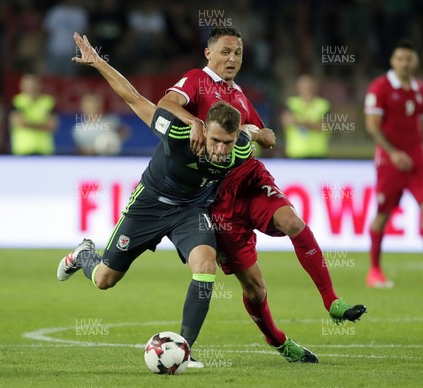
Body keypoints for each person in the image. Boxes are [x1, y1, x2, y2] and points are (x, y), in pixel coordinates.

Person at [57, 33, 274, 366]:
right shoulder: (175, 132)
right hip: (151, 204)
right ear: (203, 130)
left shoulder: (239, 149)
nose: (220, 150)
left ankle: (184, 351)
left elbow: (255, 136)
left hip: (192, 209)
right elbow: (133, 98)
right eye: (215, 140)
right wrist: (99, 63)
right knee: (104, 279)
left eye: (227, 143)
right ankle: (84, 254)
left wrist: (256, 133)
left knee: (204, 267)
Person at [158, 26, 366, 363]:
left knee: (293, 222)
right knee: (255, 288)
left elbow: (261, 133)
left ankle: (332, 302)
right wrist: (192, 122)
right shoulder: (197, 79)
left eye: (238, 52)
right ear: (209, 53)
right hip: (217, 198)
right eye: (225, 51)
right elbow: (166, 104)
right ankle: (280, 342)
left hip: (250, 179)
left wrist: (263, 134)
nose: (232, 58)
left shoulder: (239, 94)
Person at [364, 39, 423, 288]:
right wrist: (393, 153)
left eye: (409, 59)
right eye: (400, 59)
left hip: (417, 158)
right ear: (393, 61)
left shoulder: (420, 88)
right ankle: (374, 271)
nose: (405, 63)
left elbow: (420, 121)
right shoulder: (379, 87)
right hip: (389, 160)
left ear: (415, 62)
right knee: (383, 214)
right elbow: (372, 127)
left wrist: (422, 148)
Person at [281, 74, 331, 158]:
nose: (307, 89)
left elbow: (324, 126)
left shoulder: (323, 104)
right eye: (303, 87)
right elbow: (287, 121)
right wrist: (313, 124)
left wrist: (298, 121)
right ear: (298, 88)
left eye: (309, 87)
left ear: (315, 87)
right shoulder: (290, 103)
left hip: (318, 153)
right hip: (296, 153)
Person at [9, 73, 58, 155]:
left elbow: (52, 126)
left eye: (33, 85)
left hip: (44, 150)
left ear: (39, 85)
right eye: (28, 85)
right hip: (22, 150)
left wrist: (27, 123)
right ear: (22, 86)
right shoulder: (17, 101)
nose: (31, 88)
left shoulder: (48, 102)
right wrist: (42, 125)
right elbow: (18, 122)